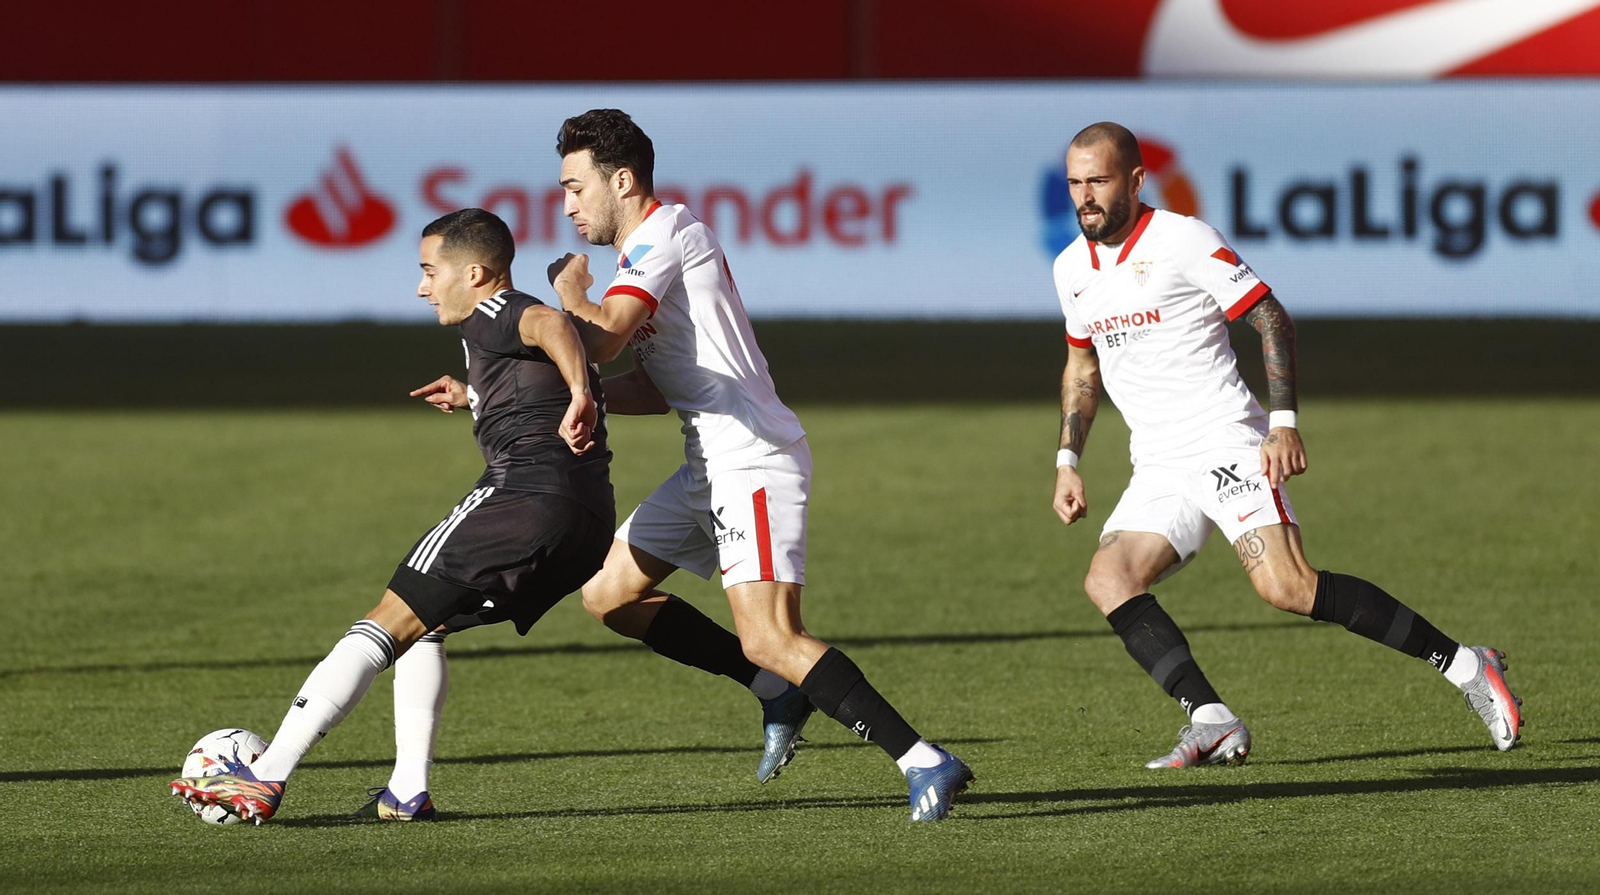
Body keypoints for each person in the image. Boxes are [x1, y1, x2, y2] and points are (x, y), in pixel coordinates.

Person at [1049, 122, 1523, 768]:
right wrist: (1067, 461)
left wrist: (1283, 420)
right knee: (1109, 576)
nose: (1085, 197)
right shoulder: (1071, 269)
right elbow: (1082, 367)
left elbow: (1269, 315)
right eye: (1075, 183)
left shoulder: (1183, 240)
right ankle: (1211, 718)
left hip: (1227, 439)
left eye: (1098, 180)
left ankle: (1468, 664)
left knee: (1289, 586)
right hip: (1158, 461)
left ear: (1134, 179)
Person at [546, 108, 972, 821]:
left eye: (574, 186)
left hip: (752, 457)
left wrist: (569, 297)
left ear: (621, 180)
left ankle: (924, 758)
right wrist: (588, 397)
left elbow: (610, 336)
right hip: (708, 462)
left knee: (773, 633)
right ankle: (775, 689)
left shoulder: (665, 233)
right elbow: (656, 382)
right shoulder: (640, 257)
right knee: (608, 595)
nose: (566, 205)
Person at [170, 208, 614, 823]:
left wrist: (583, 394)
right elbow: (539, 359)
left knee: (384, 620)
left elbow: (546, 324)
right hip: (587, 521)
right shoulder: (490, 331)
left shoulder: (502, 309)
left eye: (431, 271)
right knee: (426, 627)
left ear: (477, 273)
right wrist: (476, 395)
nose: (422, 287)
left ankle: (265, 775)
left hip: (524, 496)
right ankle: (407, 792)